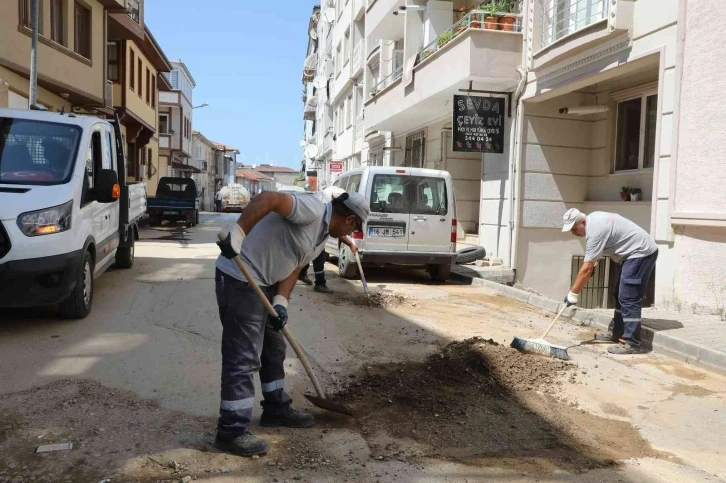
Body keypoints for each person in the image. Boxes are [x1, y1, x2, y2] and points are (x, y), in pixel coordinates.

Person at [214, 190, 370, 456]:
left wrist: (281, 302)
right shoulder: (312, 210)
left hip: (266, 285)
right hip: (241, 279)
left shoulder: (320, 238)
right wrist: (237, 233)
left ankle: (275, 409)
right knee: (244, 358)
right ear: (350, 219)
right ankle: (231, 431)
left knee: (274, 350)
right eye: (356, 227)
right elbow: (268, 198)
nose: (353, 233)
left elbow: (295, 267)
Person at [562, 208, 658, 355]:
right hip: (630, 254)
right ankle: (617, 332)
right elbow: (595, 257)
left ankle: (632, 343)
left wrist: (573, 293)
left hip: (640, 253)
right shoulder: (594, 218)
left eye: (574, 228)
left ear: (581, 221)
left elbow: (586, 268)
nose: (573, 232)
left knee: (629, 297)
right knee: (618, 293)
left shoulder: (595, 231)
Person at [298, 186, 358, 293]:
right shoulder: (321, 203)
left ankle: (303, 274)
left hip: (314, 238)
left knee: (315, 253)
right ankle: (319, 282)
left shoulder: (335, 204)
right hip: (308, 236)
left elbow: (338, 231)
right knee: (316, 254)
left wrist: (350, 244)